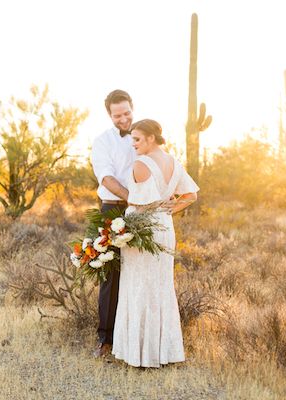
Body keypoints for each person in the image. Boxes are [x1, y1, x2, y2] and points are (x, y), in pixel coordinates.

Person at [112, 119, 199, 368]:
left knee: (138, 286)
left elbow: (139, 204)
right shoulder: (174, 162)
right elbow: (191, 195)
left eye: (137, 139)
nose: (134, 145)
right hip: (164, 228)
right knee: (160, 287)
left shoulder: (141, 164)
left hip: (143, 230)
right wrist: (173, 207)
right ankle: (163, 352)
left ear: (151, 138)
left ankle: (139, 353)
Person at [90, 89, 137, 358]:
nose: (123, 119)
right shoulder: (102, 142)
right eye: (117, 115)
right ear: (109, 115)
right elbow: (106, 178)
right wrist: (132, 199)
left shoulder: (145, 136)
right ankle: (105, 339)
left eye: (127, 113)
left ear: (133, 108)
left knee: (140, 270)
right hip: (113, 210)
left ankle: (134, 336)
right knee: (111, 274)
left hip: (142, 211)